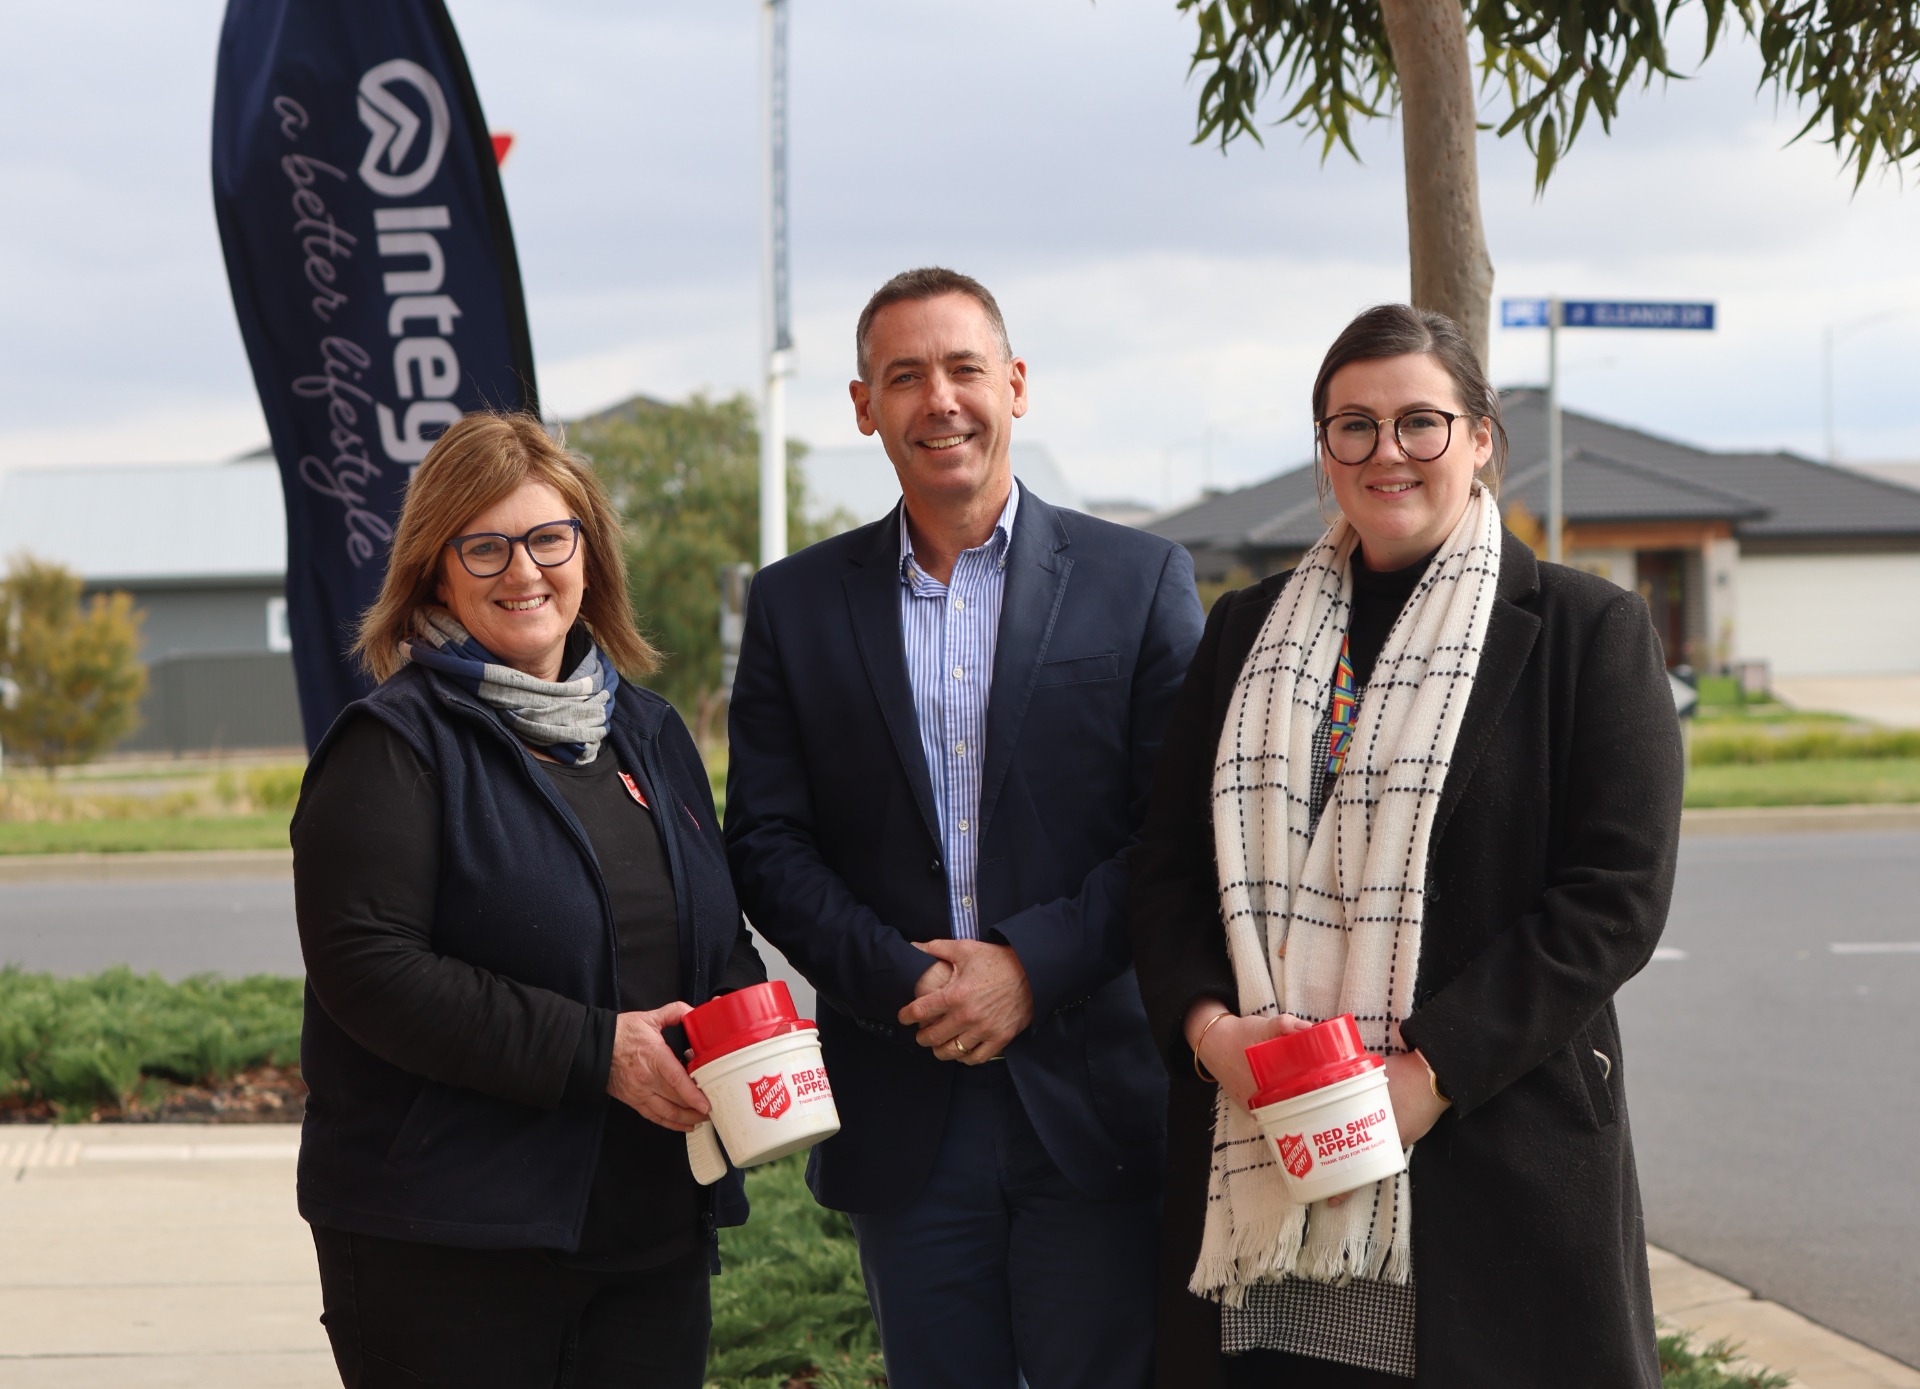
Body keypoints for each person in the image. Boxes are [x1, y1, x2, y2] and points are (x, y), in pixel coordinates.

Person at [1128, 304, 1684, 1388]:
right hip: (1267, 1147)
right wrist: (1210, 1034)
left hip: (1491, 1152)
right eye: (1355, 426)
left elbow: (1614, 897)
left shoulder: (1584, 632)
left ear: (1481, 440)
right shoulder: (1247, 631)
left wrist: (1427, 1074)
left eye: (1421, 423)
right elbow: (1167, 871)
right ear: (1325, 450)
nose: (1388, 452)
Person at [725, 266, 1204, 1389]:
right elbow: (766, 841)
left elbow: (1175, 833)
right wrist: (911, 985)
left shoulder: (1139, 582)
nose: (937, 399)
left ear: (1016, 385)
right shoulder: (796, 605)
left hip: (1091, 1102)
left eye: (962, 369)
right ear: (862, 407)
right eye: (904, 377)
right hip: (904, 1097)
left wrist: (1029, 970)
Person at [291, 411, 764, 1388]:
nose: (525, 572)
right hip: (448, 1245)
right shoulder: (392, 746)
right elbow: (369, 972)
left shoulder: (649, 732)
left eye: (550, 538)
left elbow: (710, 935)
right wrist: (601, 1054)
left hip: (648, 1236)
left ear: (587, 552)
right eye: (486, 547)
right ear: (436, 569)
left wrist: (753, 1035)